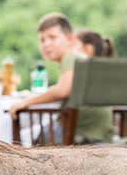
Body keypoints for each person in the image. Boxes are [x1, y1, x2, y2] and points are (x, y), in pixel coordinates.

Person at [8, 13, 113, 144]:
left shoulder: (70, 57)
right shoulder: (79, 59)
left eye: (52, 37)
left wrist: (25, 103)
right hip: (97, 132)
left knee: (27, 139)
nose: (46, 44)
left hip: (82, 134)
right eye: (42, 40)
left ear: (69, 39)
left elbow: (63, 91)